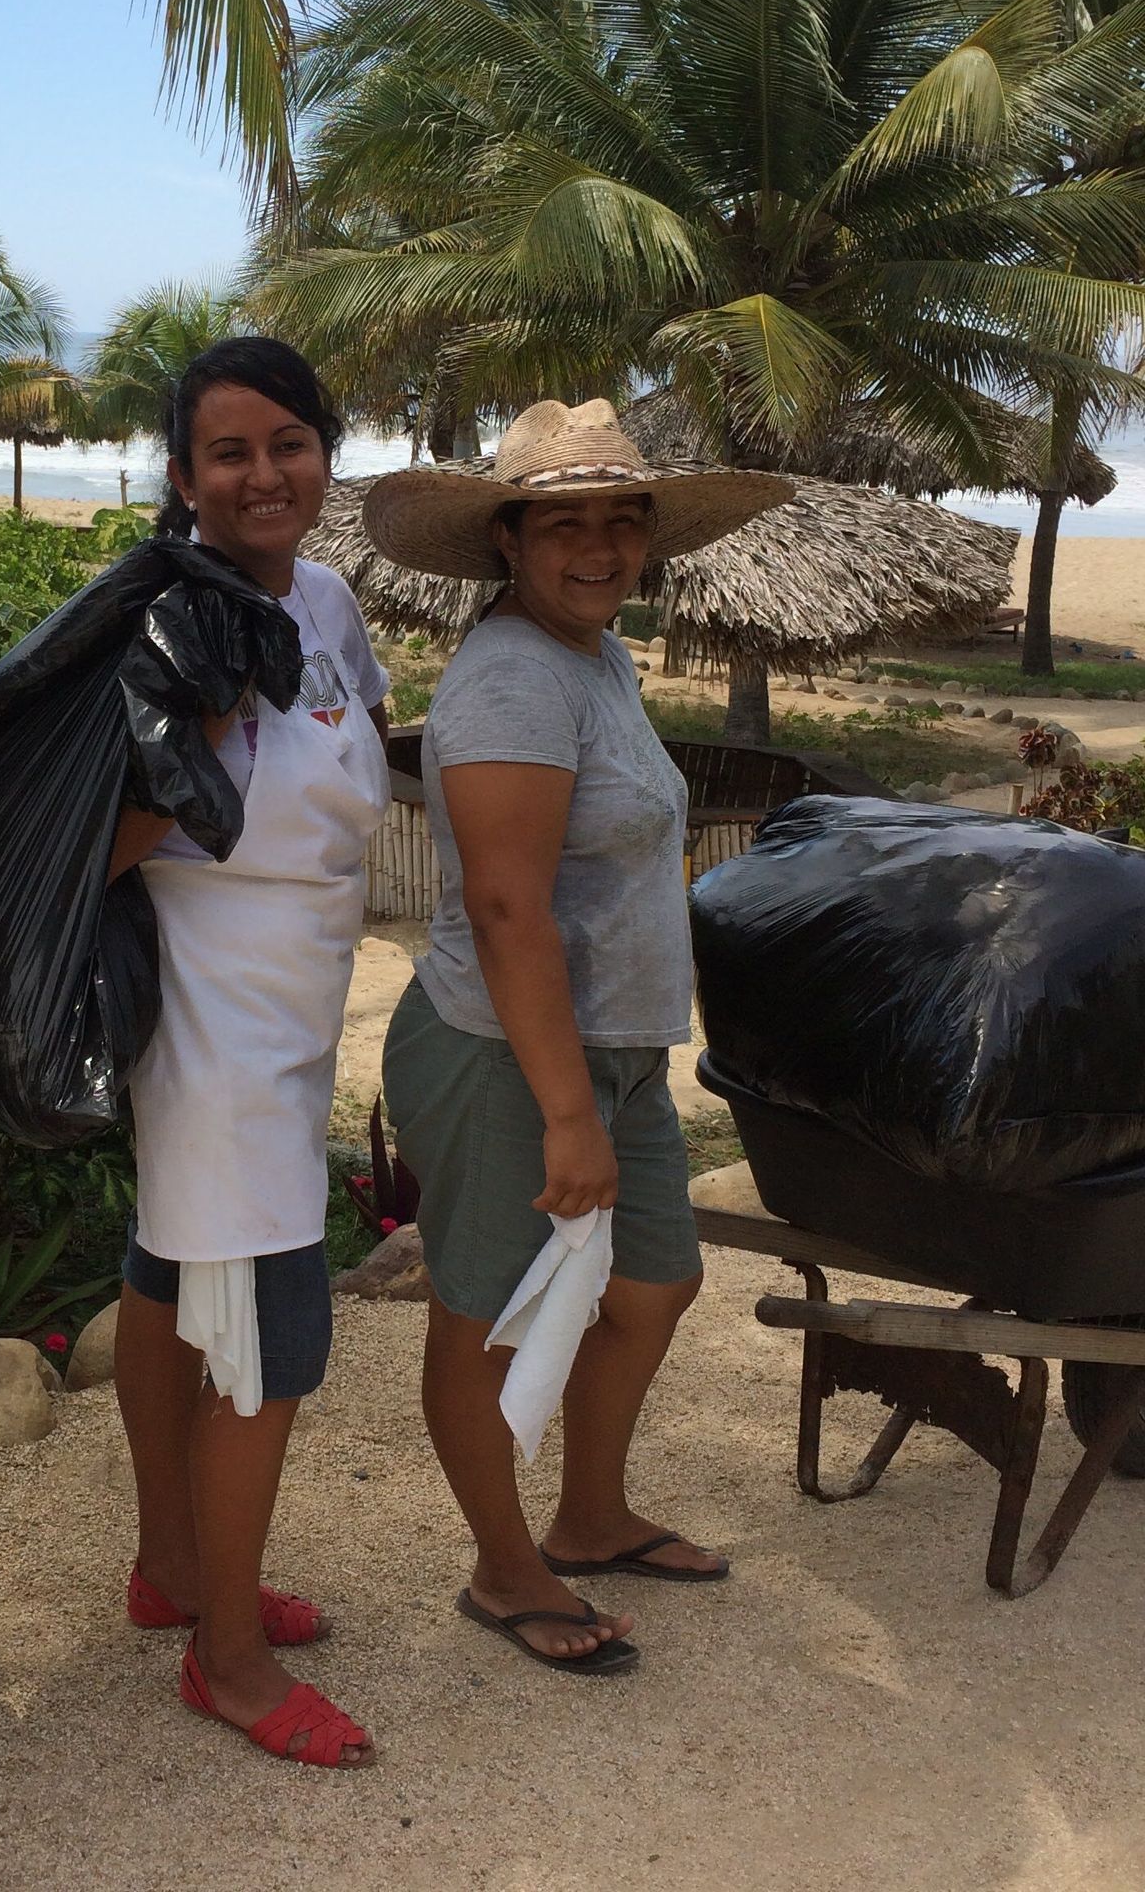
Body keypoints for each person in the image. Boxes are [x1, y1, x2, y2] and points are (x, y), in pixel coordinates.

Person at [369, 400, 793, 1675]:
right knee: (484, 1314)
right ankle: (505, 1568)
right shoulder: (508, 676)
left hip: (609, 1047)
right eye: (567, 522)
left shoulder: (595, 655)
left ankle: (591, 1515)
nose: (600, 545)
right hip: (505, 1054)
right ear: (509, 539)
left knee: (657, 1281)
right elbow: (504, 908)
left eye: (623, 519)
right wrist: (565, 1112)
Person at [107, 337, 391, 1769]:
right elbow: (79, 846)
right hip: (213, 1034)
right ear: (183, 476)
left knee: (168, 1282)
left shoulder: (329, 601)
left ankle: (176, 1571)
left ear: (324, 452)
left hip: (301, 1009)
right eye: (229, 452)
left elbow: (359, 754)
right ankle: (224, 1661)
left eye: (290, 442)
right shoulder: (159, 626)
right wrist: (196, 739)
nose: (264, 472)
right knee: (266, 1341)